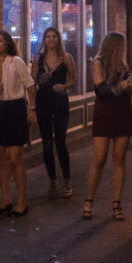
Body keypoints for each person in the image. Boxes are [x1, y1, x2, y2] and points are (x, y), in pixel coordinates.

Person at [82, 31, 132, 221]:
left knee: (119, 158)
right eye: (121, 46)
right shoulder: (98, 62)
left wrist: (129, 84)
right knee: (99, 158)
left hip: (122, 110)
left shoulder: (122, 64)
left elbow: (126, 90)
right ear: (114, 46)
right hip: (105, 110)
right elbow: (102, 90)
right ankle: (89, 201)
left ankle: (117, 203)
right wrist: (121, 86)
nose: (124, 49)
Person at [0, 30, 37, 217]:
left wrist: (32, 110)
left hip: (15, 108)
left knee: (15, 157)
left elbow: (30, 85)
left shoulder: (16, 61)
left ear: (7, 43)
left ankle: (22, 201)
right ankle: (5, 200)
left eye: (0, 40)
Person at [33, 27, 76, 198]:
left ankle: (66, 180)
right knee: (46, 144)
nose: (51, 39)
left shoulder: (66, 57)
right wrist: (38, 80)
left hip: (59, 102)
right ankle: (52, 181)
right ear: (44, 39)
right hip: (43, 102)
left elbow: (73, 79)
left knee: (60, 142)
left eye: (54, 36)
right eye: (48, 37)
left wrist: (64, 86)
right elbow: (33, 80)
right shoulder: (38, 58)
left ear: (59, 39)